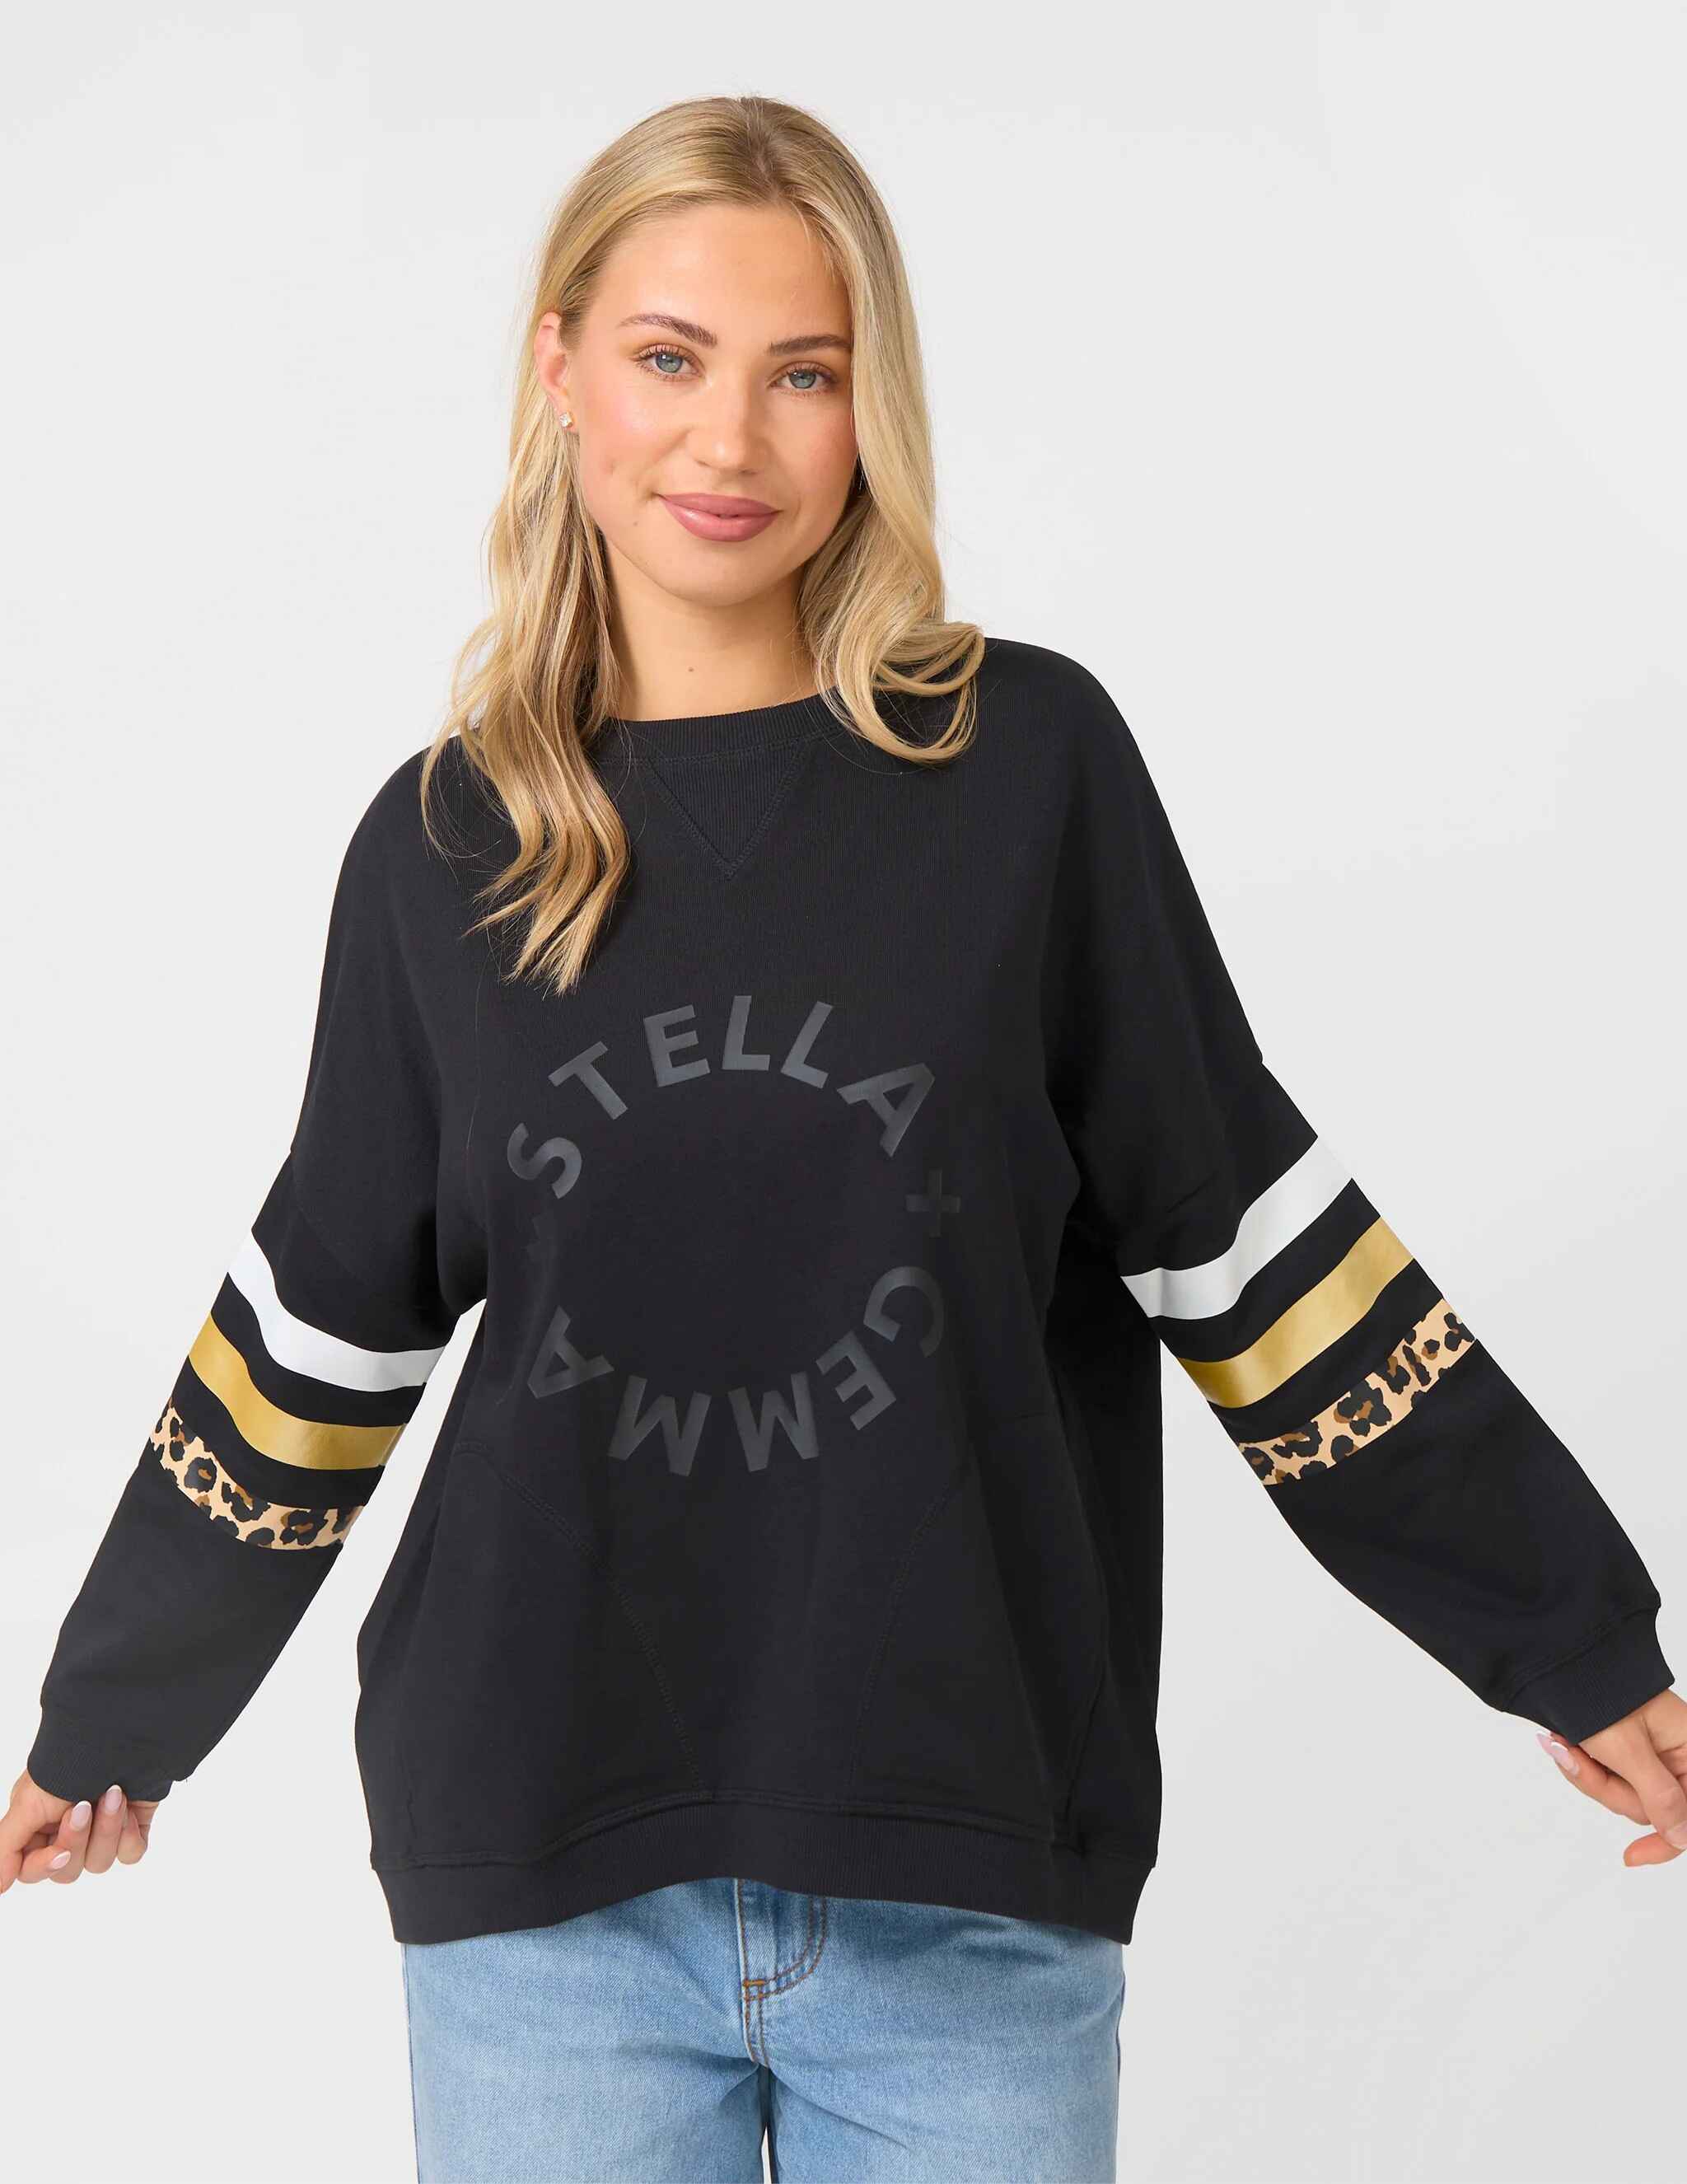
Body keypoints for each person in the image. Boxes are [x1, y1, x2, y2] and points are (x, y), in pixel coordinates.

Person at [4, 91, 1680, 2184]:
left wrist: (1567, 1634)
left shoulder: (1025, 771)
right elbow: (318, 1331)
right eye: (670, 357)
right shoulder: (445, 850)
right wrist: (114, 1718)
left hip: (965, 1873)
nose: (730, 438)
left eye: (803, 372)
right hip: (542, 1891)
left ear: (870, 405)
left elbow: (1249, 1247)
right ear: (559, 367)